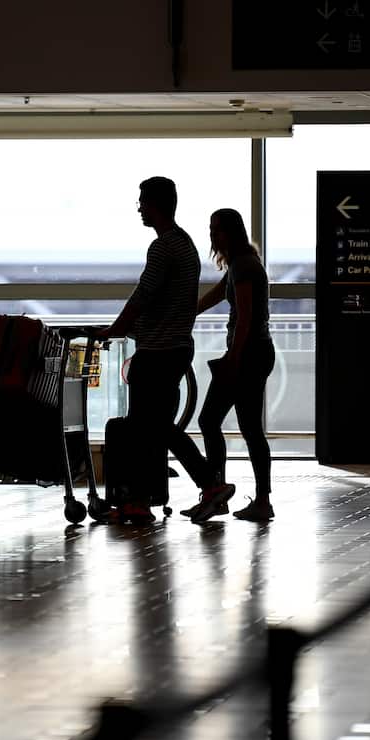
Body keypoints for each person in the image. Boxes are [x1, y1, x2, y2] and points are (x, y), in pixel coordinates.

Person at [98, 177, 237, 522]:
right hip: (176, 347)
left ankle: (202, 485)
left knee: (149, 426)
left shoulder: (162, 248)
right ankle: (143, 501)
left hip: (158, 351)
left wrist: (117, 328)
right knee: (154, 428)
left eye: (143, 201)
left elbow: (144, 295)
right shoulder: (185, 244)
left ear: (158, 204)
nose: (140, 207)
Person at [182, 208, 275, 522]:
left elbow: (246, 316)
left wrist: (233, 358)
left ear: (232, 232)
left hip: (248, 355)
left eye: (216, 230)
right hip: (254, 353)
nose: (212, 235)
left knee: (210, 420)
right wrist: (186, 313)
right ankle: (254, 499)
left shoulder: (244, 265)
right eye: (210, 229)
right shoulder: (240, 263)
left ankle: (218, 492)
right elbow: (217, 295)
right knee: (248, 428)